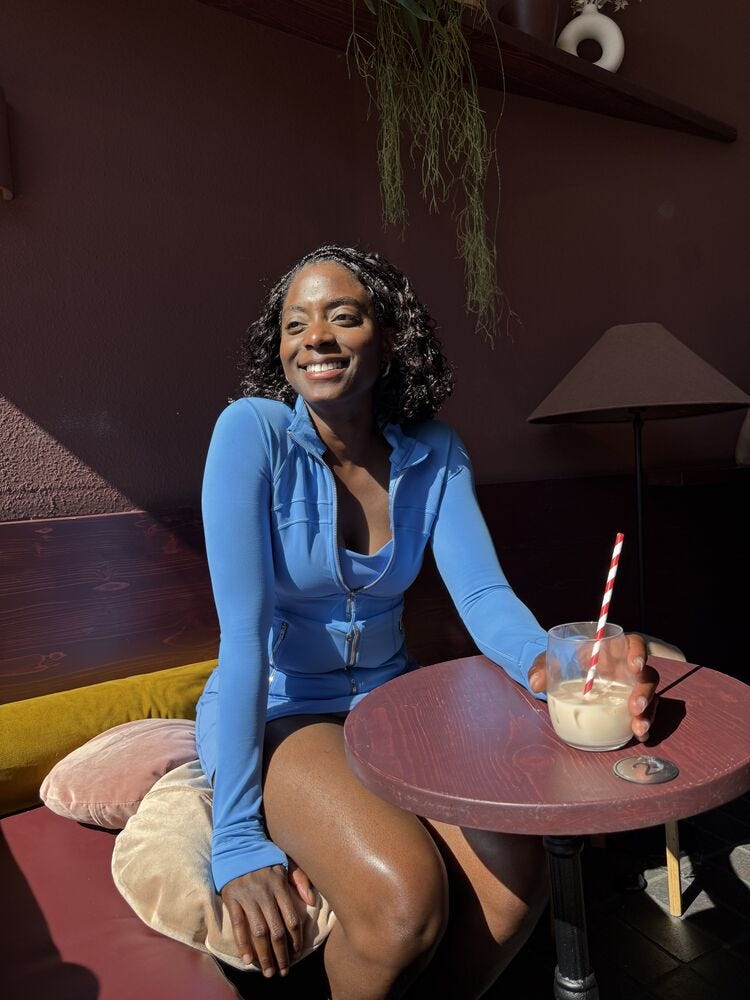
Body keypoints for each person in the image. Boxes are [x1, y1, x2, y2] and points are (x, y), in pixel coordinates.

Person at [195, 245, 658, 999]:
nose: (314, 336)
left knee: (518, 879)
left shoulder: (435, 453)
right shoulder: (251, 434)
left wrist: (548, 666)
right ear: (277, 349)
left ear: (390, 337)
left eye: (343, 316)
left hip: (389, 703)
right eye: (294, 323)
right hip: (281, 708)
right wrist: (238, 836)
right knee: (406, 901)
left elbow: (481, 598)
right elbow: (242, 640)